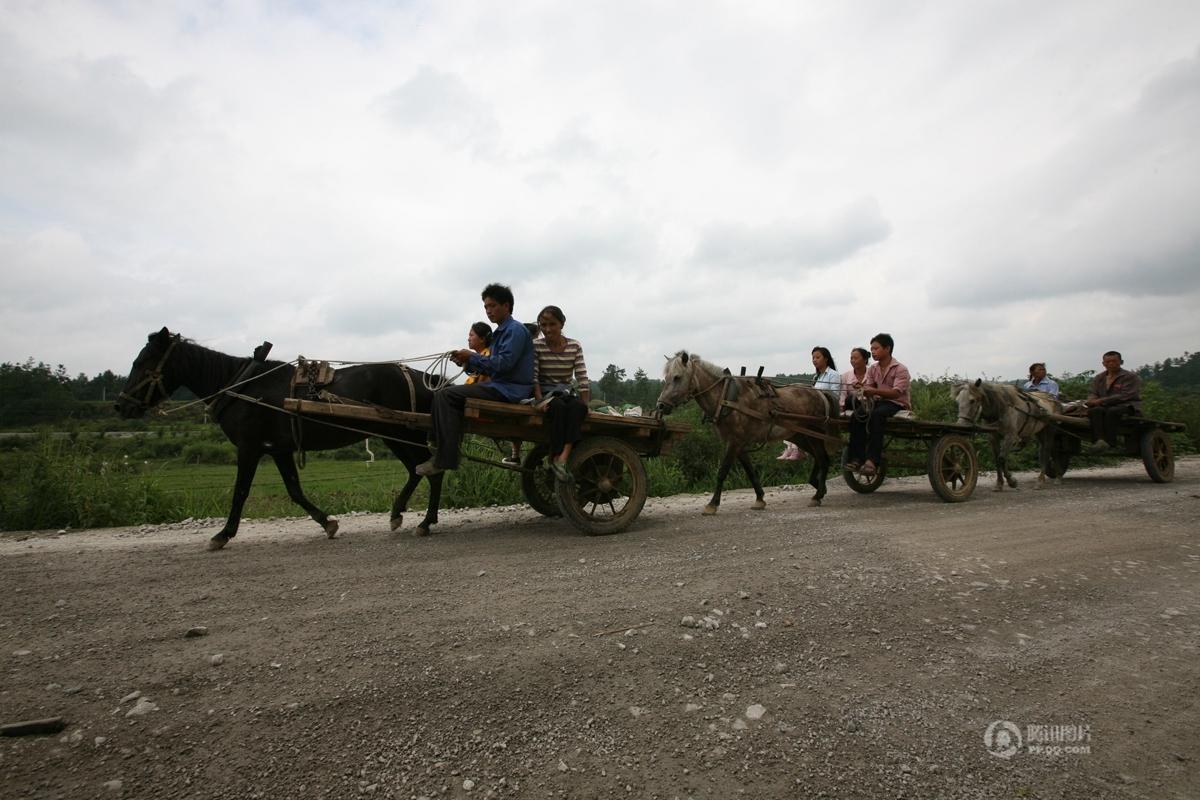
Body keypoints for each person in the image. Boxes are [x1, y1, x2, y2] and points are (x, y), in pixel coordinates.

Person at [417, 284, 534, 476]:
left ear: (506, 306)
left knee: (445, 396)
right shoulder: (501, 333)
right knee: (442, 395)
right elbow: (491, 365)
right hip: (500, 386)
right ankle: (439, 449)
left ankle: (444, 458)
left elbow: (502, 365)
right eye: (486, 307)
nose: (488, 311)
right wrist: (466, 363)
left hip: (510, 390)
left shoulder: (515, 330)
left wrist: (471, 356)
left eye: (493, 306)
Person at [532, 305, 590, 482]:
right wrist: (540, 401)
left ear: (561, 324)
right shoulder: (536, 346)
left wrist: (585, 405)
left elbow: (581, 377)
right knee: (557, 407)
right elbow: (533, 377)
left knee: (578, 408)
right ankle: (555, 456)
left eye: (552, 324)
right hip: (545, 393)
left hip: (565, 391)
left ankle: (562, 457)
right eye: (543, 325)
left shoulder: (574, 346)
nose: (547, 329)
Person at [845, 333, 911, 477]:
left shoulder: (900, 369)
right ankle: (856, 459)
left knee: (877, 415)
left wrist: (873, 391)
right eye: (872, 349)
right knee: (859, 415)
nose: (873, 352)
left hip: (897, 403)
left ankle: (872, 461)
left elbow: (896, 393)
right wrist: (861, 388)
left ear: (887, 349)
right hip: (880, 402)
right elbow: (869, 387)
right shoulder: (874, 369)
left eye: (876, 348)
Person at [779, 347, 841, 461]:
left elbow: (835, 396)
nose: (814, 360)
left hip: (827, 408)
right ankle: (792, 448)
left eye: (818, 357)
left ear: (826, 359)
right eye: (813, 358)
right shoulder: (816, 377)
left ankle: (798, 450)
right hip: (816, 409)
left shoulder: (833, 374)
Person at [1084, 350, 1142, 453]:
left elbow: (1125, 395)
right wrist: (1091, 400)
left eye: (1114, 361)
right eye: (1108, 362)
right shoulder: (1099, 378)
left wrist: (1100, 400)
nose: (1111, 364)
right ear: (1103, 364)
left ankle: (1111, 443)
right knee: (1094, 411)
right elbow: (1092, 392)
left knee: (1112, 411)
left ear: (1121, 362)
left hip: (1127, 406)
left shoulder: (1130, 377)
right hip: (1104, 406)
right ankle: (1099, 441)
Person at [841, 346, 870, 413]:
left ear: (865, 360)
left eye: (856, 358)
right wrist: (841, 407)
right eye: (851, 358)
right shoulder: (845, 376)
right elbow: (843, 394)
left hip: (869, 405)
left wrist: (863, 388)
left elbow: (876, 394)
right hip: (852, 405)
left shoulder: (872, 374)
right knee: (850, 398)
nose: (853, 361)